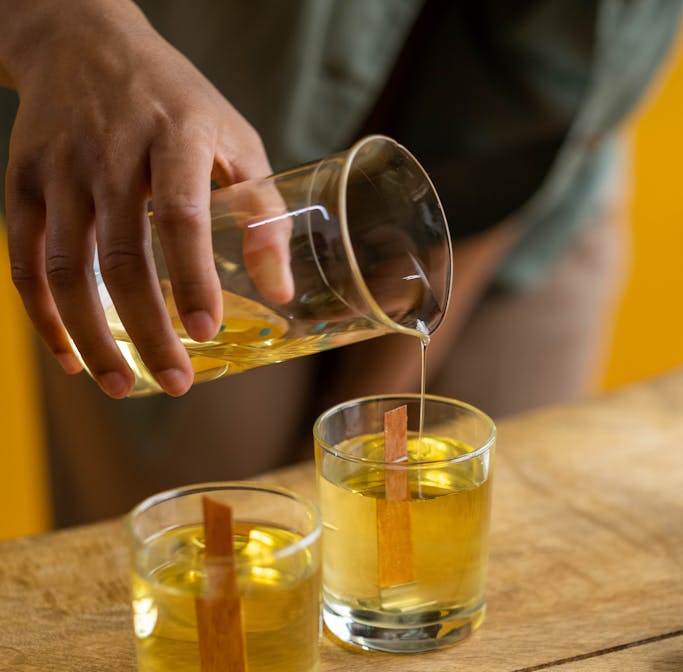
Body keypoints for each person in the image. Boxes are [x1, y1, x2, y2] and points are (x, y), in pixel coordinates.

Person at [0, 0, 681, 525]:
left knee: (496, 560)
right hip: (187, 169)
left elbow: (546, 89)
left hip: (525, 193)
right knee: (189, 576)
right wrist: (63, 26)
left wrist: (356, 420)